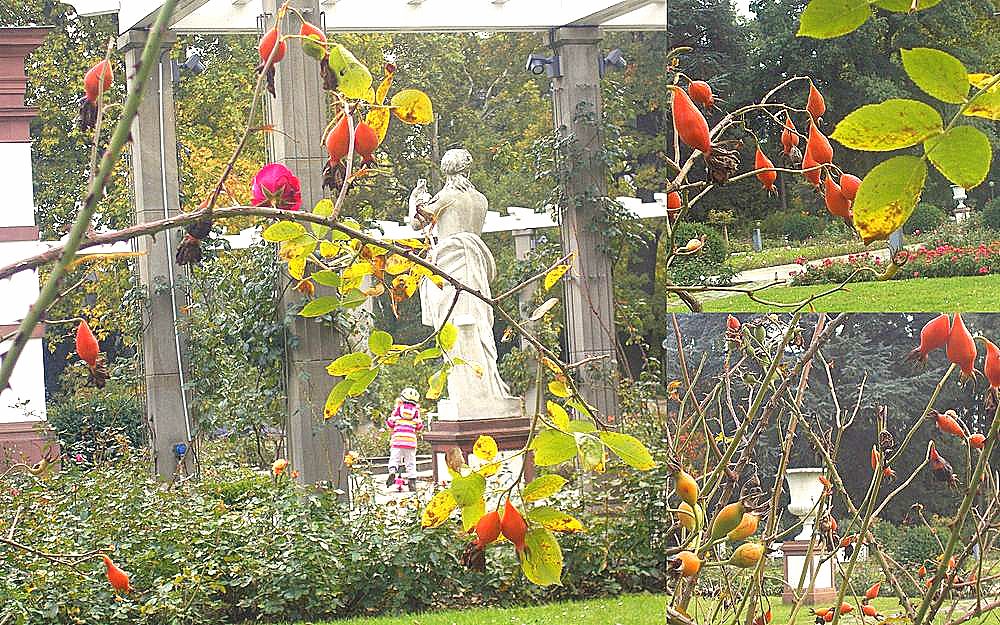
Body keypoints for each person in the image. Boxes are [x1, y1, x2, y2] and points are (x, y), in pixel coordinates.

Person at [385, 387, 423, 491]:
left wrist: (391, 421)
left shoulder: (398, 409)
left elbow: (391, 423)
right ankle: (412, 483)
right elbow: (419, 426)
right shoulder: (416, 412)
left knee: (394, 459)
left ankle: (392, 471)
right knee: (410, 462)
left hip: (398, 440)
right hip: (410, 441)